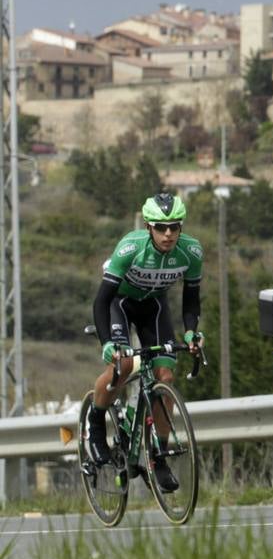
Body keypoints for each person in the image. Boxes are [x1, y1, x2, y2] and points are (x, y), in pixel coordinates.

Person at [85, 193, 204, 493]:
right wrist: (107, 343)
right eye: (161, 228)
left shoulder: (191, 252)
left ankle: (158, 457)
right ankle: (95, 423)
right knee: (123, 365)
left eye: (174, 227)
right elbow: (102, 301)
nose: (168, 234)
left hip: (154, 306)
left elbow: (191, 300)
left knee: (165, 377)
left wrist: (191, 332)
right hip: (120, 303)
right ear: (149, 227)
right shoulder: (130, 247)